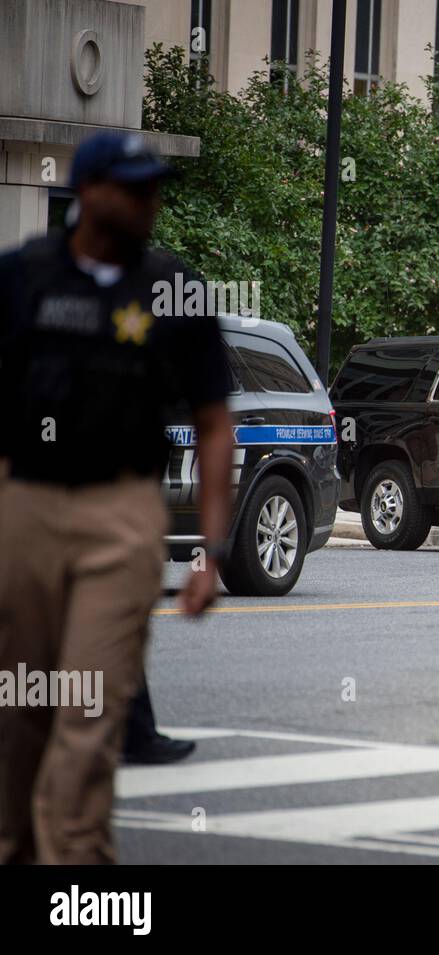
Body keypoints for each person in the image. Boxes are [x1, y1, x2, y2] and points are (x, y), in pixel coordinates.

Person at [0, 131, 234, 864]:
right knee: (20, 717)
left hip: (122, 514)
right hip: (27, 504)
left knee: (88, 718)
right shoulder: (22, 278)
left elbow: (215, 420)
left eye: (154, 187)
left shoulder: (176, 291)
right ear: (91, 191)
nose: (149, 201)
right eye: (134, 188)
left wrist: (211, 551)